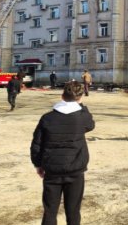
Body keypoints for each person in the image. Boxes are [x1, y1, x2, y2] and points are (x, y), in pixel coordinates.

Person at [31, 81, 95, 225]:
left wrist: (37, 164)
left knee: (50, 211)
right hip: (75, 169)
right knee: (73, 211)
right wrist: (81, 105)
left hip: (52, 169)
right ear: (80, 97)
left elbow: (36, 144)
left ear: (62, 96)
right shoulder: (82, 116)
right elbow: (90, 124)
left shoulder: (47, 118)